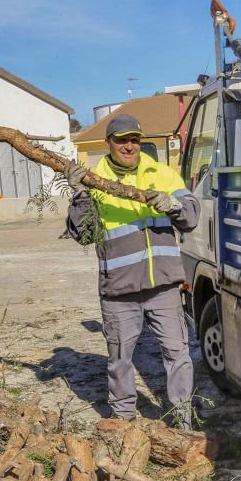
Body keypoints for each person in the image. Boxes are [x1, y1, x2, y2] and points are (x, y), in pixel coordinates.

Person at [65, 113, 200, 427]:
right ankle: (123, 421)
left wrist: (175, 205)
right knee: (120, 359)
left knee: (178, 354)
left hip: (164, 284)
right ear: (108, 143)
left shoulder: (163, 174)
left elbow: (191, 217)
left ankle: (182, 418)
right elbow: (83, 234)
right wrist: (80, 196)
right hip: (120, 289)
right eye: (122, 140)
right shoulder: (93, 181)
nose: (129, 146)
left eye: (134, 140)